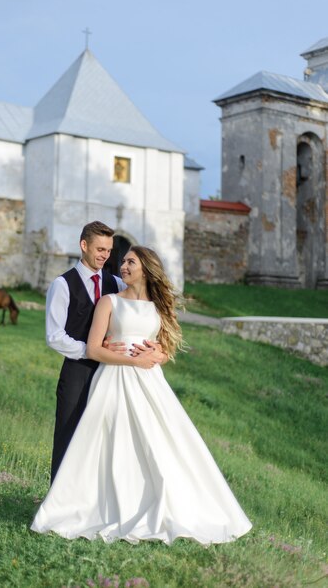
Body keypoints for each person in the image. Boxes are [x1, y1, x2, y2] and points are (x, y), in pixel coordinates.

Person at [32, 246, 252, 545]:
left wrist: (157, 354)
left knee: (160, 441)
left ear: (146, 269)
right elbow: (95, 349)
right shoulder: (109, 302)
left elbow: (165, 348)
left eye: (130, 262)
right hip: (113, 378)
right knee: (110, 441)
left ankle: (165, 502)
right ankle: (92, 503)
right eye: (122, 261)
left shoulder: (158, 306)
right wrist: (134, 360)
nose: (123, 266)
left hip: (149, 383)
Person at [46, 222, 161, 483]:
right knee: (69, 434)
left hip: (113, 373)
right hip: (77, 372)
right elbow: (54, 337)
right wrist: (93, 350)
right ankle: (57, 498)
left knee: (104, 439)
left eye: (109, 251)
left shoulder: (116, 282)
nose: (104, 256)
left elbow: (137, 311)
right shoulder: (62, 285)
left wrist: (155, 345)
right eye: (99, 249)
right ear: (83, 245)